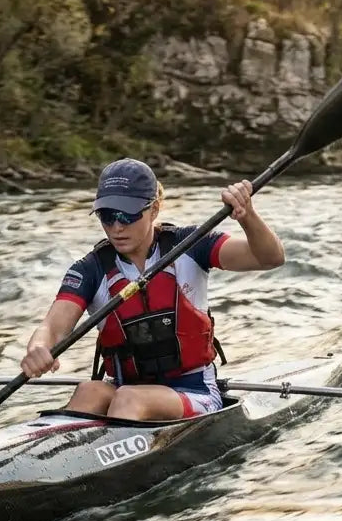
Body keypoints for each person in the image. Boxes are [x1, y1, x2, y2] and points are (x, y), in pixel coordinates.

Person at [20, 158, 286, 421]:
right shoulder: (90, 270)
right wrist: (39, 348)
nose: (116, 227)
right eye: (107, 216)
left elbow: (269, 258)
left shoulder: (191, 245)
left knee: (129, 398)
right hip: (127, 388)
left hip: (194, 390)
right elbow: (53, 327)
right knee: (89, 390)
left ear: (155, 209)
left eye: (128, 215)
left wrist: (247, 215)